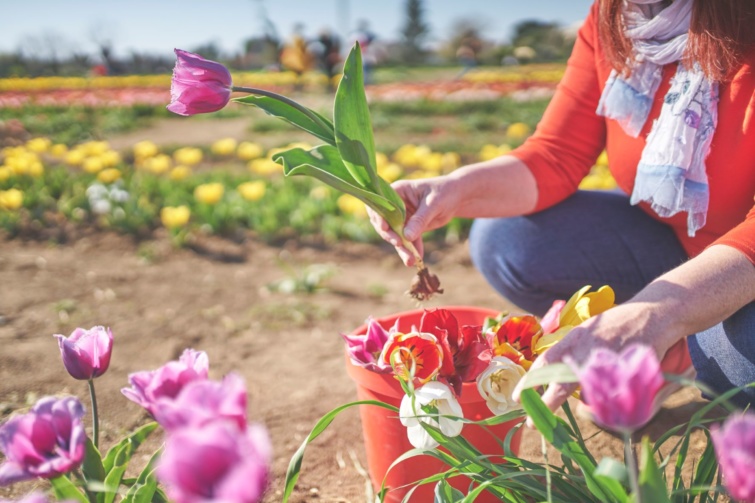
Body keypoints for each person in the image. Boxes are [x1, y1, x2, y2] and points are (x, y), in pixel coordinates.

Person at [369, 0, 755, 411]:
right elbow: (557, 154)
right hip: (678, 244)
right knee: (508, 239)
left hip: (742, 262)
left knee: (736, 357)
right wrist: (453, 189)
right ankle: (679, 353)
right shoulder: (616, 17)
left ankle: (695, 340)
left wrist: (659, 312)